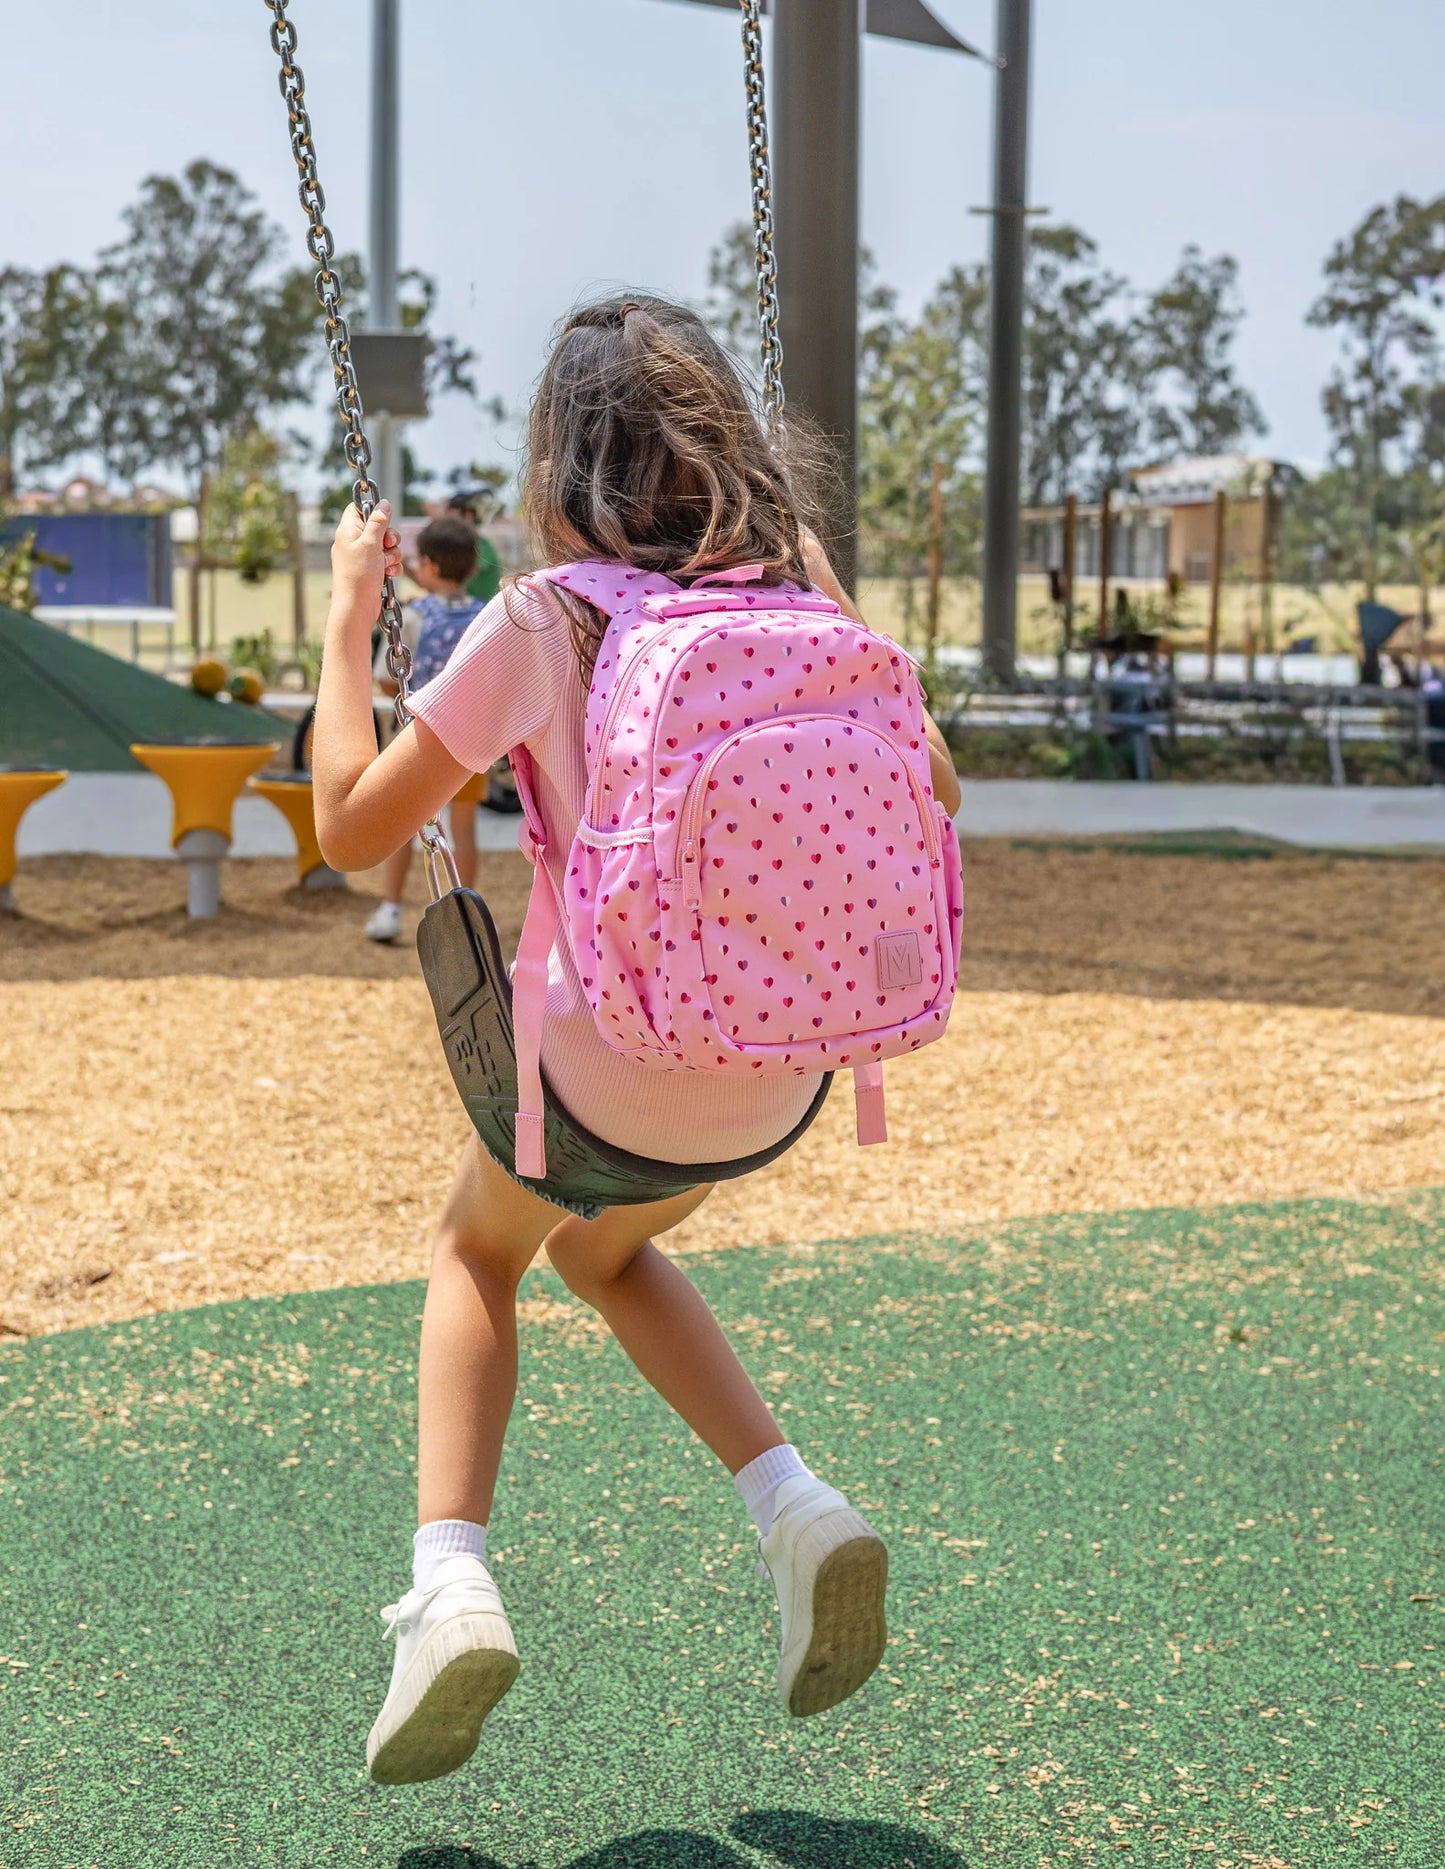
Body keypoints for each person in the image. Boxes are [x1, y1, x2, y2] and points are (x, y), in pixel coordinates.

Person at [312, 295, 964, 1787]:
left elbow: (352, 831)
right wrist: (822, 592)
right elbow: (927, 773)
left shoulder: (550, 617)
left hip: (600, 1076)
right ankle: (795, 1506)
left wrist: (351, 624)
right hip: (784, 1072)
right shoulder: (804, 613)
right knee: (604, 1253)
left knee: (480, 1248)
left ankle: (448, 1586)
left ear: (559, 468)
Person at [364, 514, 487, 943]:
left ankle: (391, 907)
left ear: (429, 565)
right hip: (472, 740)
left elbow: (386, 678)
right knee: (465, 826)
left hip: (416, 739)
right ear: (473, 566)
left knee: (402, 825)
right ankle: (466, 918)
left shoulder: (412, 616)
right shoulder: (485, 616)